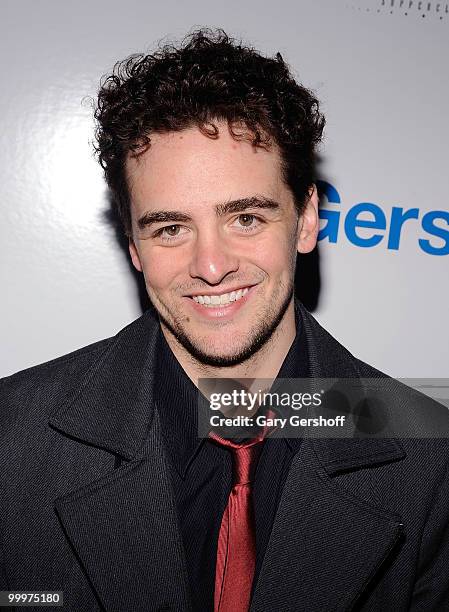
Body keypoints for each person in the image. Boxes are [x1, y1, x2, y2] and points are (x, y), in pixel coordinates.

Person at [1, 28, 448, 612]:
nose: (210, 267)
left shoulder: (428, 462)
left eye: (245, 219)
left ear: (307, 219)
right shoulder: (14, 440)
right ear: (133, 244)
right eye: (170, 228)